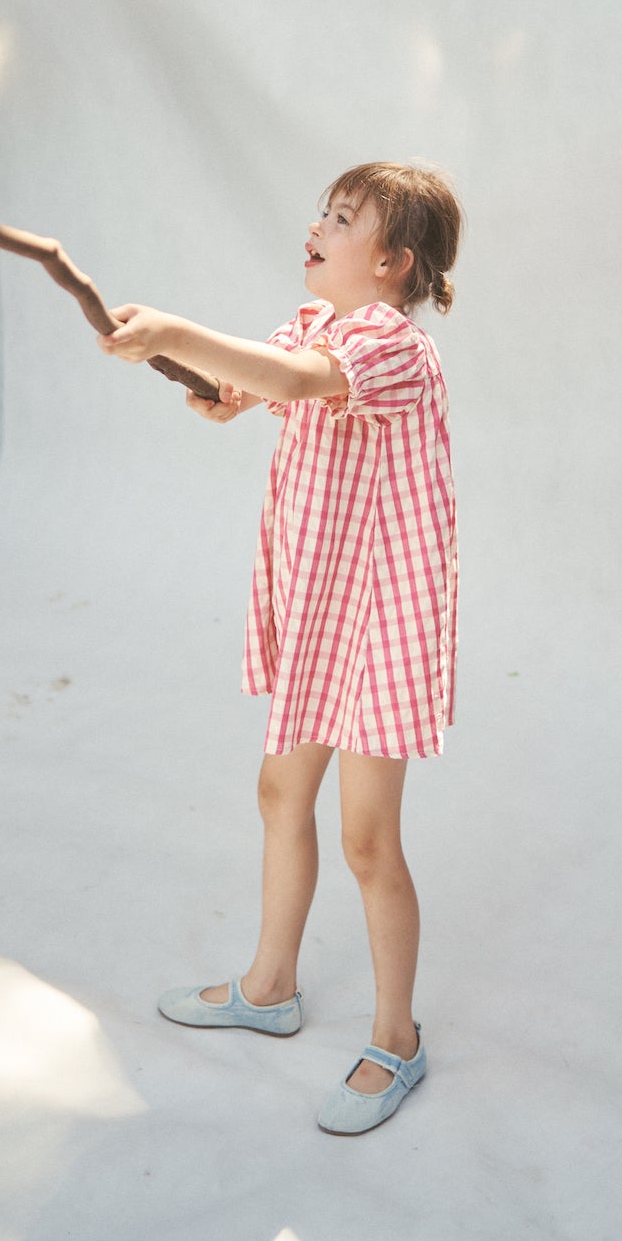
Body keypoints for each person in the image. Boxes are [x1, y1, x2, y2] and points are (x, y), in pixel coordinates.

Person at [98, 160, 461, 1135]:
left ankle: (399, 1035)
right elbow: (264, 379)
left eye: (343, 220)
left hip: (380, 619)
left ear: (389, 263)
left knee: (368, 839)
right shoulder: (315, 325)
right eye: (325, 211)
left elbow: (301, 383)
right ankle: (271, 985)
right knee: (279, 793)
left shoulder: (393, 348)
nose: (318, 226)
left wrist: (172, 331)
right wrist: (218, 390)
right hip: (319, 610)